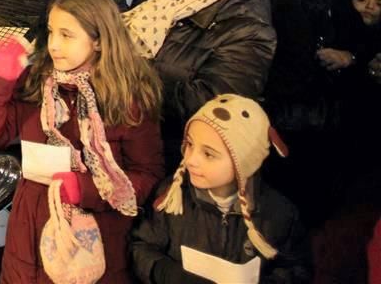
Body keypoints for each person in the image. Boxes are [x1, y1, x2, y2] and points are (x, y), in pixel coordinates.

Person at [0, 0, 164, 283]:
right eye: (50, 33)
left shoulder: (128, 98)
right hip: (28, 238)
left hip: (93, 243)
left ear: (98, 40)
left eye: (67, 35)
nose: (54, 45)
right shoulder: (38, 85)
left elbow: (147, 174)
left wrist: (83, 189)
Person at [124, 0, 276, 166]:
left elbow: (212, 104)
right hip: (129, 145)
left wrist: (123, 74)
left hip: (182, 159)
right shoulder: (161, 4)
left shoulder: (247, 30)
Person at [130, 95, 312, 283]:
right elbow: (142, 247)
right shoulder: (170, 197)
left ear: (244, 162)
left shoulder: (278, 213)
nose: (191, 159)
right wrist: (170, 274)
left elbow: (296, 269)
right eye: (190, 144)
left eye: (208, 154)